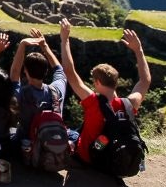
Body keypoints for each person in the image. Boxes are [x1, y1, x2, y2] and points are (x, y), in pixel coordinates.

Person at [60, 18, 151, 169]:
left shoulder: (93, 101)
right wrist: (139, 50)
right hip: (116, 157)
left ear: (97, 82)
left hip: (89, 158)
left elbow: (69, 72)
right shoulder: (128, 105)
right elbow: (145, 81)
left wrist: (65, 39)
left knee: (67, 132)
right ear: (116, 83)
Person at [10, 28, 66, 141]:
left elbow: (15, 73)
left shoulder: (21, 94)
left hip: (27, 146)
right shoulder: (57, 90)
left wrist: (22, 45)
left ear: (25, 71)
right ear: (46, 71)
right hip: (54, 145)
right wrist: (44, 45)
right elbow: (59, 69)